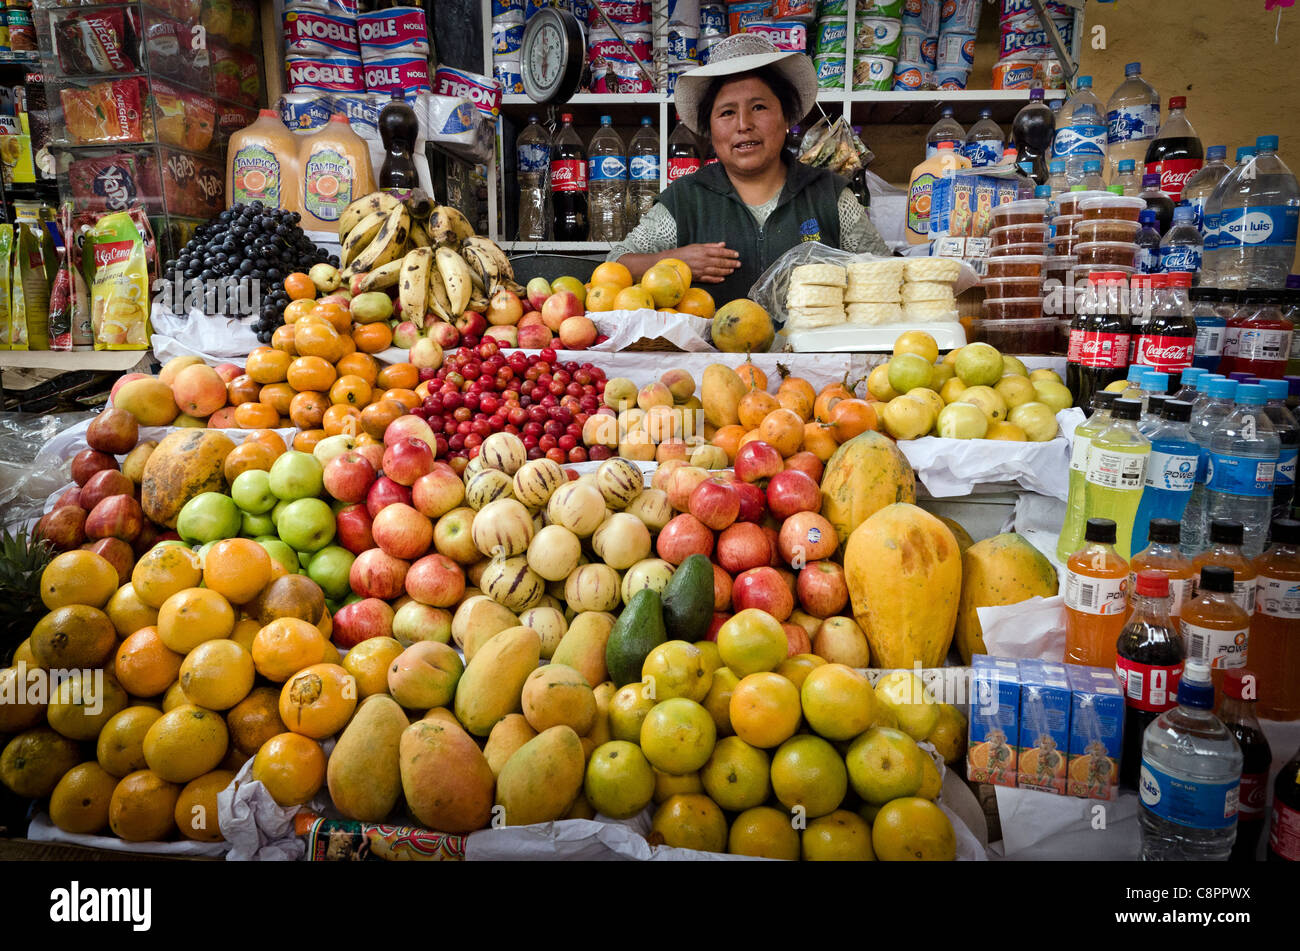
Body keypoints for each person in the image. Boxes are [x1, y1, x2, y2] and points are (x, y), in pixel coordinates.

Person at [608, 34, 889, 305]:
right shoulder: (685, 200)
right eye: (727, 112)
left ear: (786, 117)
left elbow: (884, 275)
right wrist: (674, 262)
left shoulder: (829, 196)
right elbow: (615, 263)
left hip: (813, 353)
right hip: (713, 354)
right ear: (710, 129)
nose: (743, 124)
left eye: (759, 107)